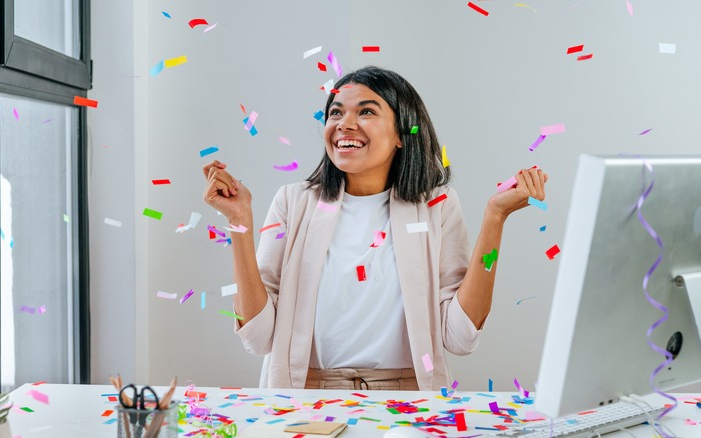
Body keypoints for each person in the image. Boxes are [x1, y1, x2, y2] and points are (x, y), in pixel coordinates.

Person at [202, 66, 548, 391]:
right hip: (306, 396)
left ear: (402, 133)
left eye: (366, 112)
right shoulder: (293, 202)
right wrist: (239, 222)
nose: (345, 123)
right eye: (336, 112)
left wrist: (495, 218)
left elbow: (460, 337)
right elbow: (257, 337)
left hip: (409, 398)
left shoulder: (436, 205)